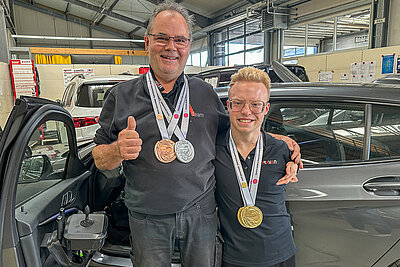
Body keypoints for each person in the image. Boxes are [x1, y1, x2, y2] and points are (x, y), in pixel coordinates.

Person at [92, 2, 300, 266]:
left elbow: (239, 127)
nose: (171, 47)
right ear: (147, 42)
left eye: (180, 40)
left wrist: (279, 141)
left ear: (189, 46)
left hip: (200, 214)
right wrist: (116, 151)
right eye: (162, 38)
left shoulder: (203, 92)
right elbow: (99, 158)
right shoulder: (120, 96)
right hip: (147, 217)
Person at [214, 67, 298, 267]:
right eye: (238, 103)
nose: (246, 111)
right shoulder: (213, 148)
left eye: (255, 104)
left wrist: (294, 160)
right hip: (232, 258)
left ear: (266, 109)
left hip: (280, 255)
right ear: (228, 105)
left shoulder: (282, 150)